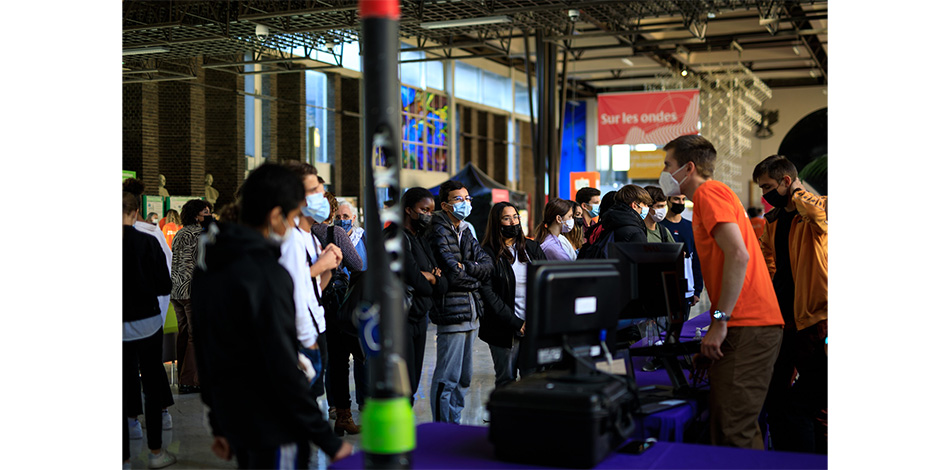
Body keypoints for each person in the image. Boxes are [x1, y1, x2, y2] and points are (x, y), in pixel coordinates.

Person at [191, 163, 353, 468]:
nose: (292, 227)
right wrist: (329, 441)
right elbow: (281, 364)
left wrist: (219, 421)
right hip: (274, 421)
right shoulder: (266, 272)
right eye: (292, 218)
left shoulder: (211, 257)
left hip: (237, 415)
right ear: (276, 216)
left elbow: (205, 345)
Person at [660, 134, 784, 449]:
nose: (664, 172)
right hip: (747, 324)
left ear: (688, 168)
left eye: (667, 165)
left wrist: (718, 321)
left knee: (732, 432)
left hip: (749, 322)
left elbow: (738, 255)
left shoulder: (708, 193)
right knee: (734, 426)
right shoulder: (716, 194)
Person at [753, 155, 828, 454]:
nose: (764, 193)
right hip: (781, 316)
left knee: (815, 399)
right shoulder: (772, 221)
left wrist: (797, 192)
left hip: (813, 317)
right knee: (777, 396)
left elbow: (820, 219)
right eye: (760, 187)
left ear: (786, 181)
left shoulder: (816, 207)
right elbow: (765, 257)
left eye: (769, 186)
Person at [426, 180, 493, 424]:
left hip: (471, 312)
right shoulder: (438, 229)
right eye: (459, 199)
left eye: (467, 198)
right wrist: (472, 274)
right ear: (445, 205)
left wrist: (469, 269)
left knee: (464, 377)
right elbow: (452, 273)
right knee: (448, 377)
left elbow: (488, 265)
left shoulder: (464, 229)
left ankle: (454, 423)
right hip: (451, 312)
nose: (465, 203)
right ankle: (442, 428)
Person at [122, 191, 177, 469]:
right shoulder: (146, 241)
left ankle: (124, 457)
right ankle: (156, 453)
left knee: (121, 382)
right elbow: (164, 285)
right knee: (153, 380)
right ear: (135, 214)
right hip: (147, 323)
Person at [383, 187, 448, 405]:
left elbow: (441, 282)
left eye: (431, 211)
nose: (428, 215)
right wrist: (429, 279)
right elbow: (418, 281)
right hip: (400, 319)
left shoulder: (419, 238)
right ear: (409, 210)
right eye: (424, 210)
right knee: (401, 386)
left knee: (411, 384)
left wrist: (432, 278)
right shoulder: (395, 237)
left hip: (419, 317)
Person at [312, 188, 366, 435]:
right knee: (339, 359)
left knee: (314, 362)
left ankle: (318, 413)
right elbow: (357, 265)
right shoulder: (336, 232)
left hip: (307, 306)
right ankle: (343, 415)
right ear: (332, 212)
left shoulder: (300, 233)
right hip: (334, 305)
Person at [478, 201, 546, 387]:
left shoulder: (531, 248)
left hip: (533, 326)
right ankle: (504, 416)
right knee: (506, 380)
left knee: (532, 379)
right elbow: (488, 293)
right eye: (506, 218)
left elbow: (547, 281)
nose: (513, 222)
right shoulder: (487, 253)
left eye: (515, 217)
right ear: (497, 223)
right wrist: (516, 322)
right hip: (503, 328)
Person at [170, 199, 214, 395]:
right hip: (192, 290)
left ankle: (183, 376)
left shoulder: (180, 233)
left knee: (184, 334)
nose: (209, 215)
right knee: (195, 336)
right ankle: (190, 381)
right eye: (205, 212)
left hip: (177, 289)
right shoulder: (200, 234)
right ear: (196, 215)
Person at [660, 193, 704, 317]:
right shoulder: (660, 227)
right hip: (666, 288)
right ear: (668, 200)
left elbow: (697, 259)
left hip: (687, 288)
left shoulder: (690, 227)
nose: (680, 202)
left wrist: (697, 290)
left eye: (683, 199)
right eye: (676, 199)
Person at [337, 200, 368, 271]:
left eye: (345, 216)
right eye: (338, 217)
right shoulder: (330, 239)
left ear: (353, 218)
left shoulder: (362, 237)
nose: (341, 220)